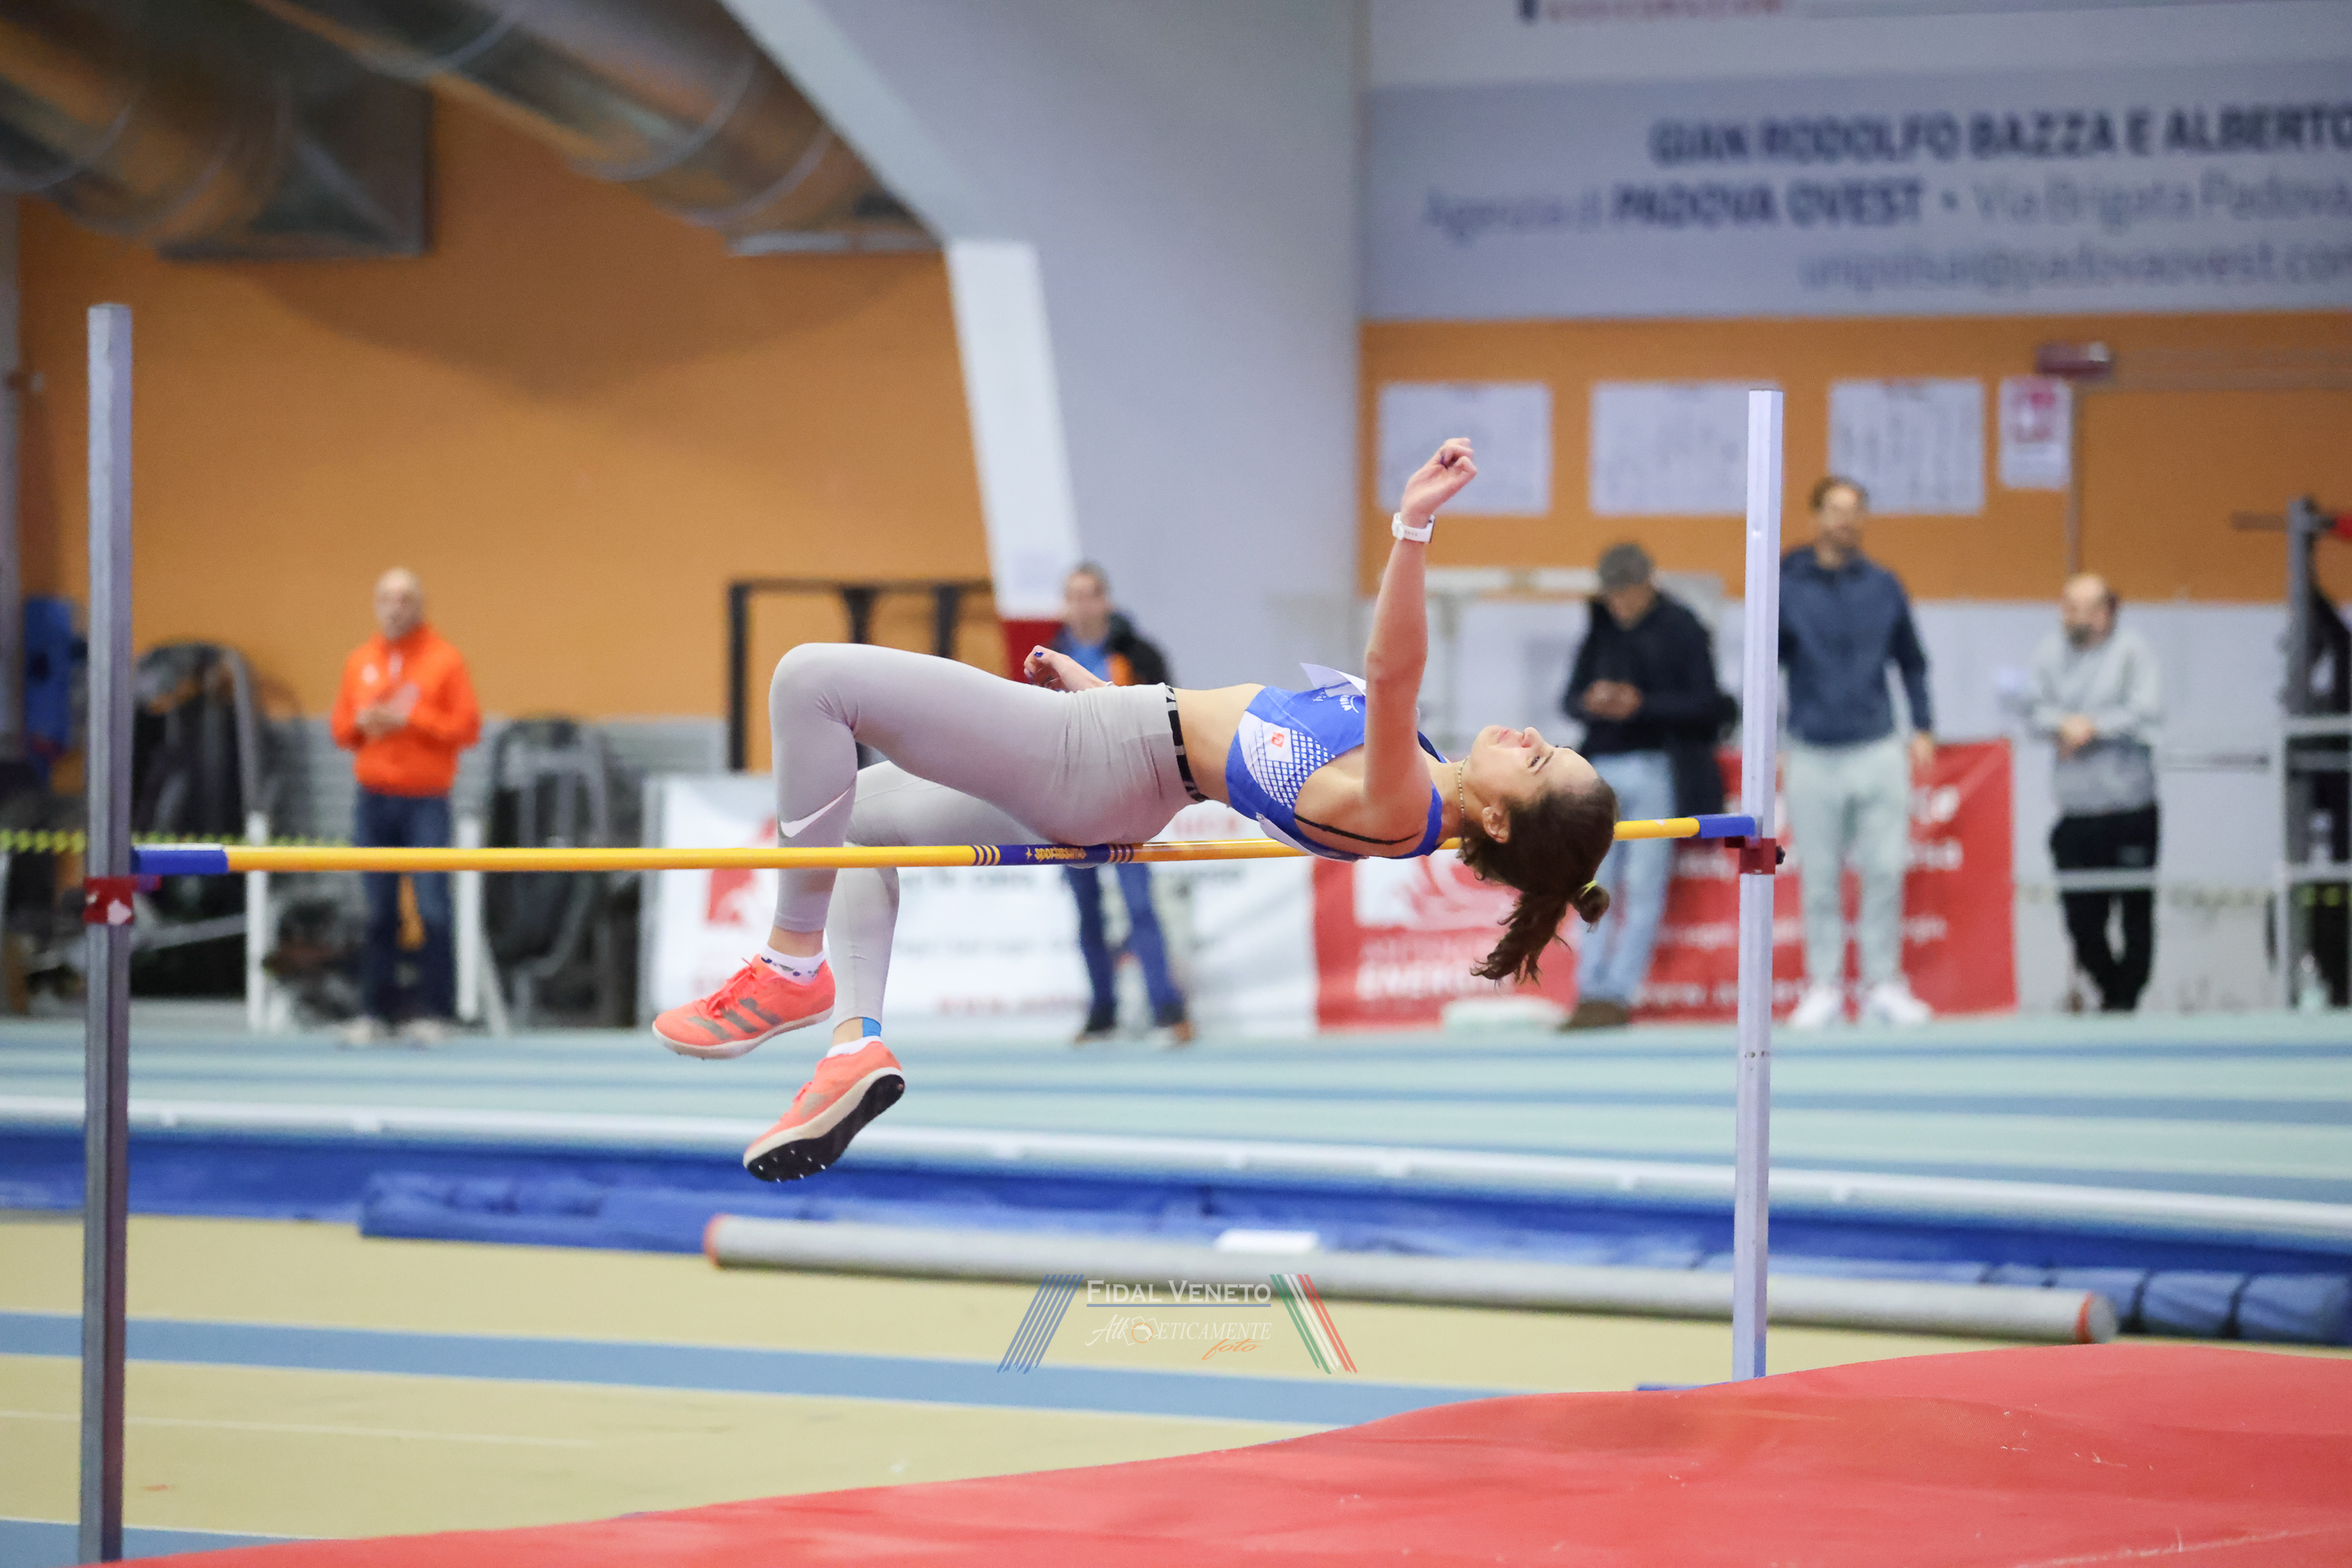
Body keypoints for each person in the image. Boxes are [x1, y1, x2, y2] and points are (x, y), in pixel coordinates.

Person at [652, 439, 1621, 1182]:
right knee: (859, 820)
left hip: (1105, 760)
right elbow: (1236, 750)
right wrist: (1107, 703)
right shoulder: (1420, 779)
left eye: (1540, 760)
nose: (1531, 734)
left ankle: (790, 964)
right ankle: (853, 1044)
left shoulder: (1404, 805)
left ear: (1501, 823)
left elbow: (1391, 666)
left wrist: (1411, 528)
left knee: (810, 678)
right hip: (1125, 763)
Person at [1780, 477, 1936, 1029]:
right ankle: (1823, 986)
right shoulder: (1785, 583)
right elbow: (1765, 665)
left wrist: (1923, 726)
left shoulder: (1884, 585)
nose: (1845, 520)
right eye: (1835, 510)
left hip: (1877, 746)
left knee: (1885, 870)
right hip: (1811, 749)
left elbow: (1912, 660)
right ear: (1815, 517)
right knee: (1819, 876)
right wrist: (1768, 741)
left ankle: (1882, 984)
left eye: (1855, 511)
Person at [1559, 543, 1733, 1029]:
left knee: (1642, 885)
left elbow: (1711, 706)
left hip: (1658, 766)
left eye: (1626, 593)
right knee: (1591, 885)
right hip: (1600, 769)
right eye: (1611, 595)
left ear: (1648, 584)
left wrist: (1643, 705)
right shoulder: (1600, 626)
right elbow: (1568, 698)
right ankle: (1589, 990)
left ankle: (1617, 993)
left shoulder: (1683, 627)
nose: (1619, 604)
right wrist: (1592, 701)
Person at [328, 568, 481, 1044]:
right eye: (387, 599)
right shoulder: (360, 661)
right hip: (373, 799)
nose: (395, 609)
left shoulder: (445, 661)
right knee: (377, 909)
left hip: (425, 801)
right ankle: (375, 1011)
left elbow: (467, 728)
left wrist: (411, 717)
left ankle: (435, 1011)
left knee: (432, 905)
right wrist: (365, 722)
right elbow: (341, 731)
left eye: (405, 599)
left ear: (420, 605)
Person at [1051, 564, 1192, 1044]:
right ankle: (1102, 1013)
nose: (1081, 605)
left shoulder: (1142, 655)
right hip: (1070, 800)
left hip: (1129, 796)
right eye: (1072, 596)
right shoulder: (1047, 657)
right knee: (1086, 911)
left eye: (1089, 595)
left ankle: (1167, 1010)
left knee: (1140, 906)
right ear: (1065, 604)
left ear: (1106, 600)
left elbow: (1170, 718)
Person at [2029, 575, 2162, 1013]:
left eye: (2084, 609)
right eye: (2067, 607)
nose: (2074, 618)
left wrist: (2093, 727)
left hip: (2129, 807)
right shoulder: (2049, 652)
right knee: (2082, 922)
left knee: (2136, 913)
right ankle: (2112, 992)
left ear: (2106, 613)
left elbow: (2148, 711)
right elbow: (2032, 709)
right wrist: (2060, 725)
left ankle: (2125, 1002)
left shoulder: (2133, 652)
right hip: (2076, 811)